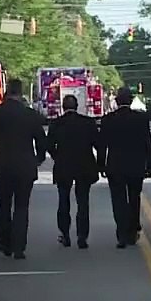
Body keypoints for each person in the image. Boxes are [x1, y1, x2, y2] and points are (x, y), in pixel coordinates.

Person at [0, 79, 47, 258]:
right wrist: (39, 158)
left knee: (4, 204)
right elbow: (41, 139)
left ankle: (4, 242)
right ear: (21, 93)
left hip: (3, 164)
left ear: (7, 91)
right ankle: (19, 246)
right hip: (25, 165)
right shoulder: (30, 114)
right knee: (22, 206)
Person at [100, 87, 151, 248]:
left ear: (116, 101)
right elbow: (147, 144)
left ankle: (122, 233)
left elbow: (102, 145)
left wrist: (101, 164)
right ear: (131, 101)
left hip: (115, 164)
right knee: (134, 198)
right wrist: (149, 164)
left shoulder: (108, 119)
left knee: (118, 200)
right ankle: (132, 230)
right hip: (136, 165)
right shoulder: (141, 119)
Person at [46, 94, 99, 249]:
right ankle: (82, 236)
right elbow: (98, 143)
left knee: (63, 201)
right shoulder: (88, 123)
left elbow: (49, 145)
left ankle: (65, 234)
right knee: (83, 202)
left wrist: (57, 157)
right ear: (77, 107)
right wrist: (100, 163)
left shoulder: (56, 124)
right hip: (84, 165)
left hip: (64, 166)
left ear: (63, 107)